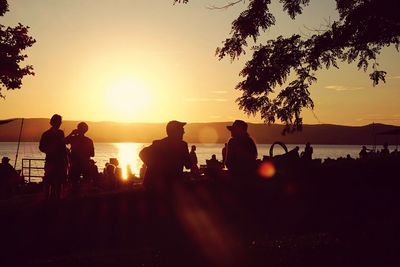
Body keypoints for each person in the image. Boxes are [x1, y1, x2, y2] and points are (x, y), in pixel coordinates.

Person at [139, 120, 191, 194]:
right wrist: (155, 167)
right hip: (159, 187)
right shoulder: (162, 144)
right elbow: (142, 153)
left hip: (164, 186)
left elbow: (189, 164)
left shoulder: (181, 145)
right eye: (181, 130)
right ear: (175, 132)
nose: (183, 132)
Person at [39, 114, 68, 199]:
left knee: (59, 181)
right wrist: (49, 150)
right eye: (58, 122)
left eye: (60, 122)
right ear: (53, 122)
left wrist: (66, 160)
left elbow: (63, 147)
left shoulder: (60, 133)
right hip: (51, 160)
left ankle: (57, 198)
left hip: (60, 161)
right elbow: (41, 147)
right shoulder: (46, 134)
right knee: (49, 180)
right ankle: (47, 198)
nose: (59, 124)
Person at [65, 122, 95, 192]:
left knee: (73, 183)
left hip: (75, 164)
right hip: (85, 164)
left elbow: (64, 141)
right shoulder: (89, 140)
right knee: (86, 183)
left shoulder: (73, 138)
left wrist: (71, 133)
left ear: (78, 129)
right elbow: (92, 154)